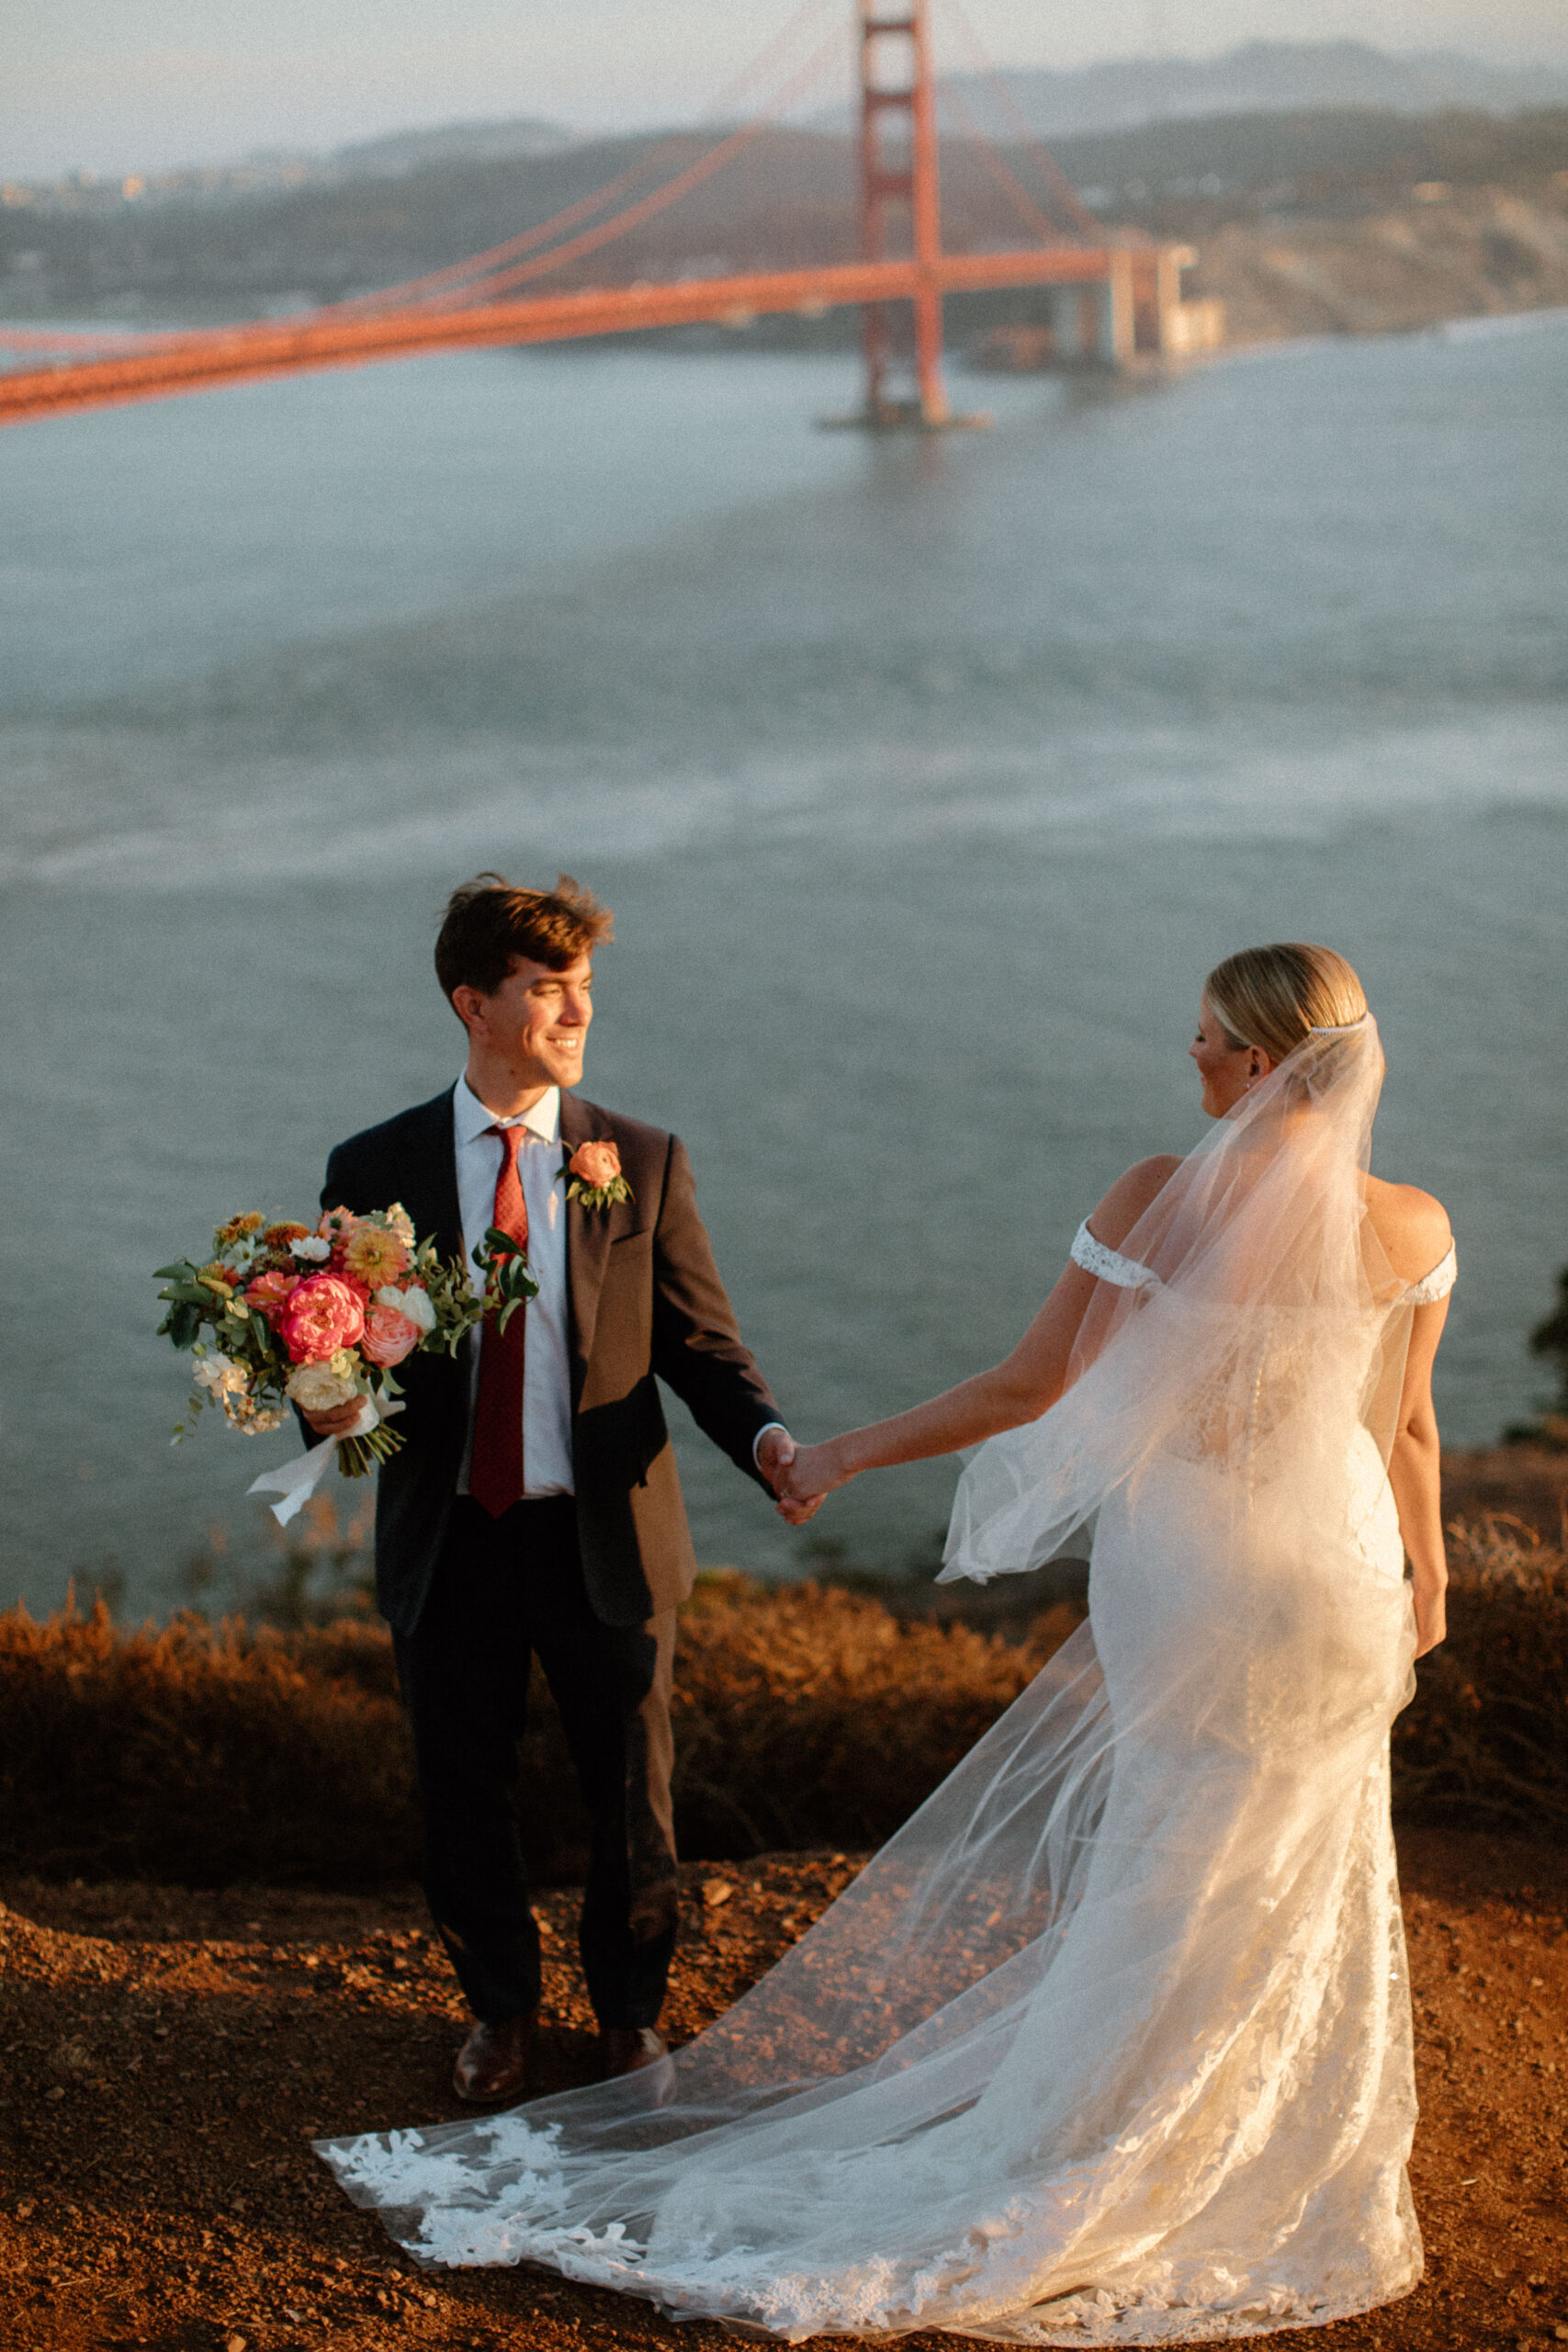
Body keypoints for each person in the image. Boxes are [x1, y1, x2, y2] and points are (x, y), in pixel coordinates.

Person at [320, 943, 1455, 2347]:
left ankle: (1100, 2136)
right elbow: (1405, 1427)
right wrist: (1434, 1575)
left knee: (1171, 1838)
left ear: (1270, 1062)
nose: (1195, 1059)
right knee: (1295, 1853)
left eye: (1214, 1040)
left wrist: (845, 1454)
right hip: (1346, 1580)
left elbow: (1033, 1384)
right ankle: (1258, 2138)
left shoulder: (1158, 1198)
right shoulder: (1414, 1224)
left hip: (1199, 1576)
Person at [301, 873, 807, 2106]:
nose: (576, 1008)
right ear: (474, 1002)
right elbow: (330, 1352)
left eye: (584, 985)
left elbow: (700, 1344)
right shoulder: (375, 1165)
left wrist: (771, 1442)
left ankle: (631, 2019)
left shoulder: (638, 1157)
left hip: (608, 1542)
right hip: (451, 1538)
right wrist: (317, 1393)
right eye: (547, 987)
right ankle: (501, 2014)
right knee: (460, 1790)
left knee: (632, 1793)